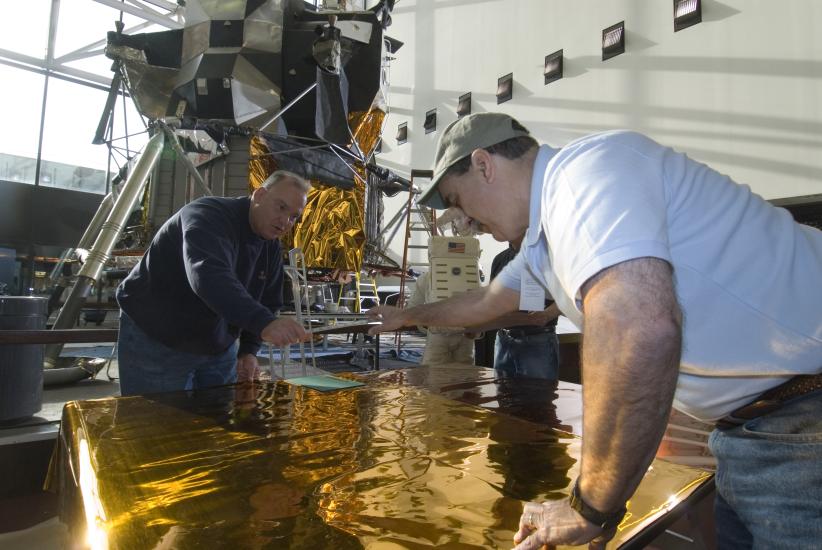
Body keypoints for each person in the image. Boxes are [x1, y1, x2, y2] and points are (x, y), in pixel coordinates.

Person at [368, 112, 822, 549]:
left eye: (457, 202)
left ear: (484, 165)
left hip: (803, 422)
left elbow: (639, 331)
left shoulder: (582, 176)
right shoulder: (542, 241)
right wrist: (408, 316)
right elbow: (486, 303)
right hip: (752, 432)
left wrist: (590, 506)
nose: (466, 224)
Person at [116, 170, 310, 396]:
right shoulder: (207, 216)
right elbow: (208, 275)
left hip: (216, 342)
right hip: (158, 334)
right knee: (157, 424)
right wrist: (264, 322)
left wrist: (249, 350)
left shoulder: (271, 246)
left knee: (218, 421)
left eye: (294, 216)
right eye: (281, 207)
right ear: (259, 195)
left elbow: (268, 299)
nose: (285, 221)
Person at [490, 237, 559, 380]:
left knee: (538, 396)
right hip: (503, 340)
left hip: (537, 341)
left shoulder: (548, 257)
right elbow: (492, 301)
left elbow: (570, 296)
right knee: (503, 397)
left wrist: (547, 315)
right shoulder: (499, 259)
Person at [407, 270, 475, 365]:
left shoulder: (427, 277)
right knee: (464, 375)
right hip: (465, 334)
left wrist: (424, 325)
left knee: (435, 374)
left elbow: (412, 309)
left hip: (439, 334)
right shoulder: (472, 273)